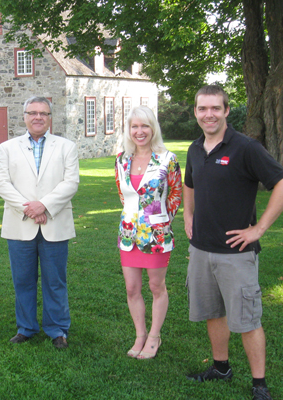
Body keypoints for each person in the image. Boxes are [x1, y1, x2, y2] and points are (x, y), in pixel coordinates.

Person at [184, 85, 283, 400]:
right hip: (201, 250)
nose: (209, 114)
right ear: (195, 112)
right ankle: (221, 368)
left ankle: (259, 385)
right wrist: (188, 217)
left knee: (247, 320)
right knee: (213, 312)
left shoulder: (246, 148)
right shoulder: (194, 148)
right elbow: (189, 183)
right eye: (202, 109)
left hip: (237, 254)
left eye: (215, 108)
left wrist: (258, 229)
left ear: (226, 111)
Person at [0, 96, 79, 349]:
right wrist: (30, 209)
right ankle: (26, 327)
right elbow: (2, 184)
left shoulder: (66, 146)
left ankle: (57, 329)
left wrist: (44, 205)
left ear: (50, 117)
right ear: (24, 117)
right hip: (20, 224)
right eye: (32, 112)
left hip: (55, 222)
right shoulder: (8, 147)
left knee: (55, 280)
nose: (38, 117)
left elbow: (70, 183)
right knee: (23, 280)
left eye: (43, 113)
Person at [115, 106, 182, 359]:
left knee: (156, 286)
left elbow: (176, 193)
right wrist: (135, 217)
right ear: (129, 130)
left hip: (157, 235)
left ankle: (154, 336)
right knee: (132, 288)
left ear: (153, 128)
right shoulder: (121, 160)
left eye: (145, 126)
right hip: (128, 234)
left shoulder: (167, 158)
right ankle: (140, 334)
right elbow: (123, 195)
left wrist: (162, 220)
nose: (139, 132)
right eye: (134, 127)